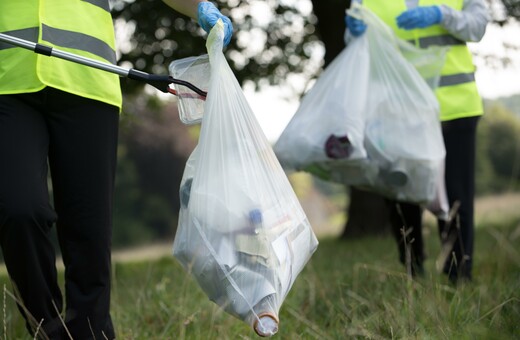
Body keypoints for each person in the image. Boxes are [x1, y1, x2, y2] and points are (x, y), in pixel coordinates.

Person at [0, 0, 232, 339]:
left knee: (88, 233)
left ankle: (91, 333)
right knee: (17, 209)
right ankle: (45, 328)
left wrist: (199, 7)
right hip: (8, 81)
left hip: (89, 82)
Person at [346, 0, 489, 283]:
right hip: (396, 111)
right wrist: (354, 33)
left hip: (452, 106)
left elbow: (478, 26)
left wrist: (441, 14)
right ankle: (413, 271)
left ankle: (458, 277)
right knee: (400, 193)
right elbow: (354, 44)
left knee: (456, 195)